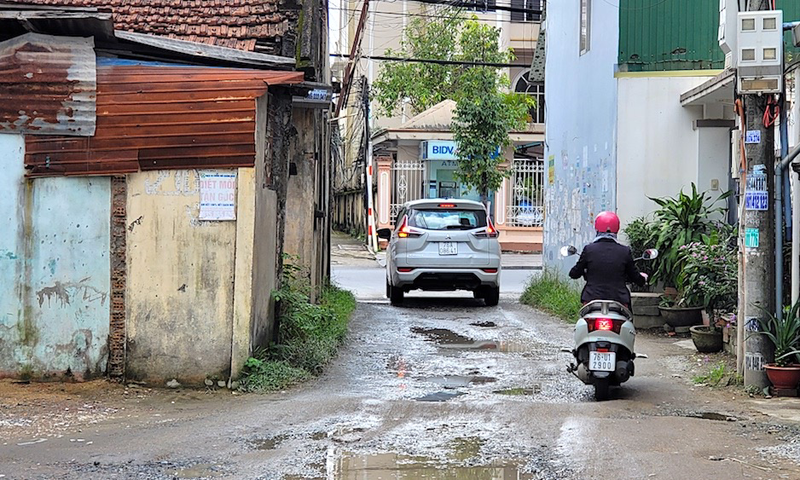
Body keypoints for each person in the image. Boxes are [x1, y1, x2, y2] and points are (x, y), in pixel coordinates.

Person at [568, 211, 647, 308]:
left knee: (584, 320)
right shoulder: (625, 251)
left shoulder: (589, 249)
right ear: (617, 229)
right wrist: (642, 279)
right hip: (619, 300)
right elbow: (635, 277)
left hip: (591, 299)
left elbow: (574, 273)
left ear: (597, 228)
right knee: (628, 319)